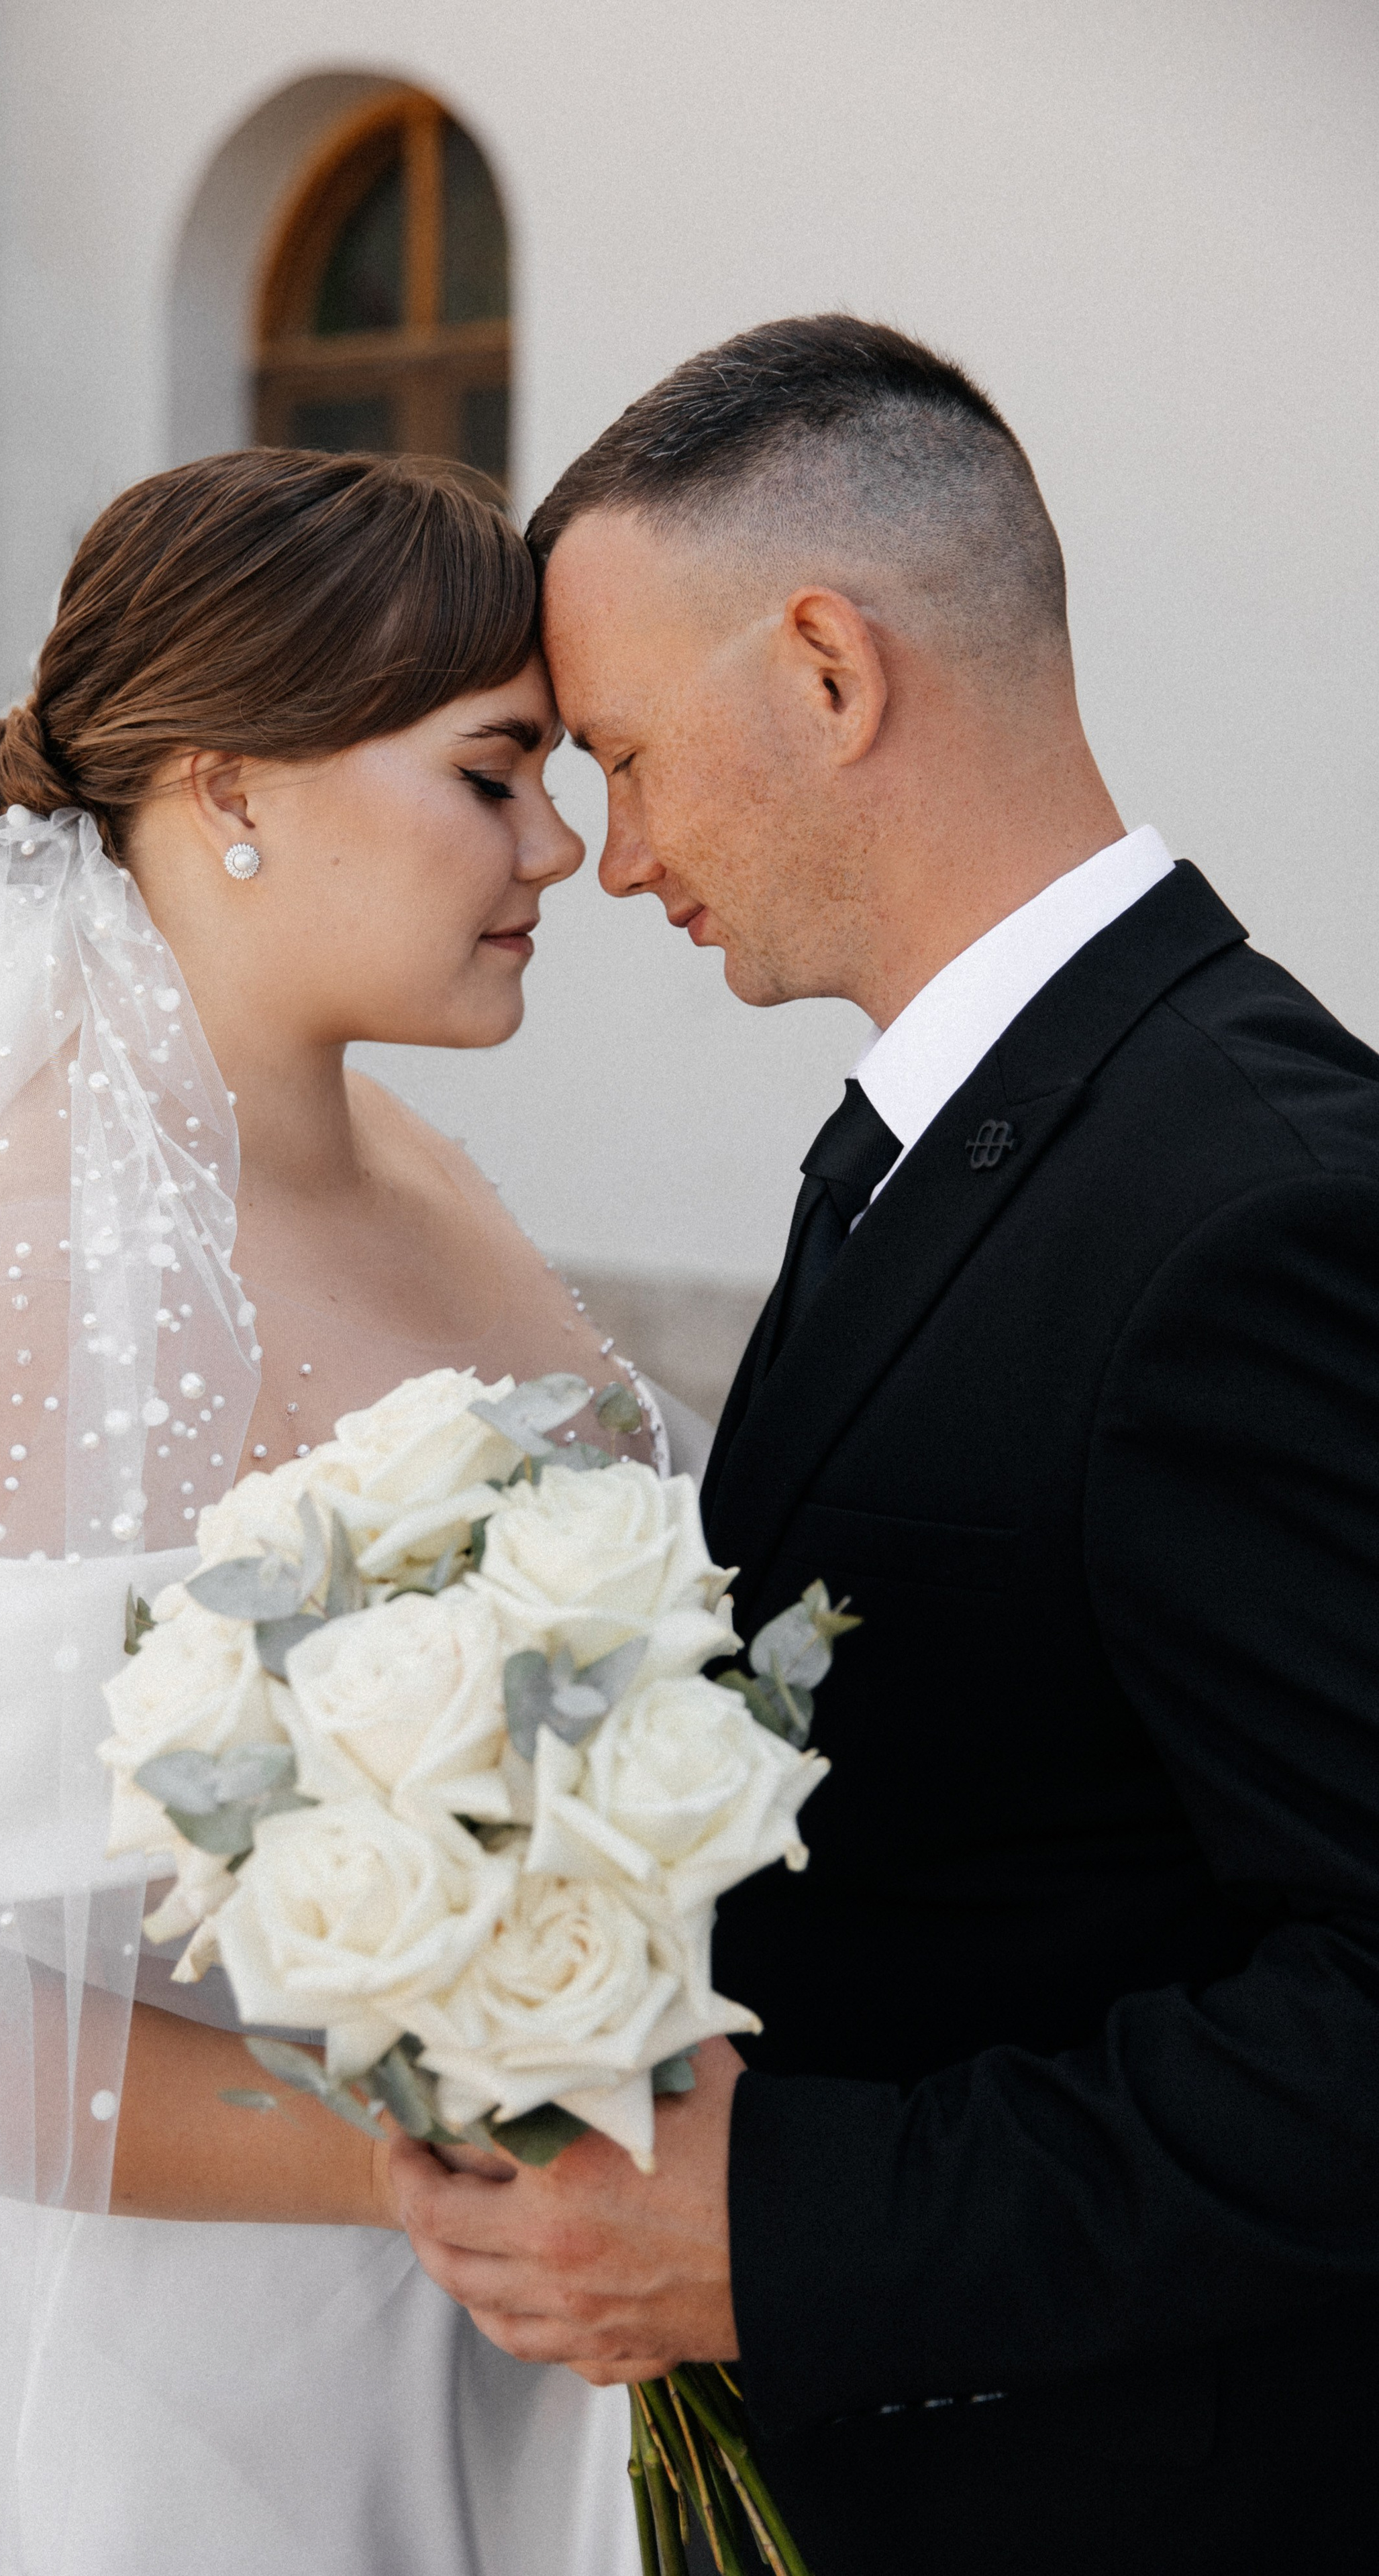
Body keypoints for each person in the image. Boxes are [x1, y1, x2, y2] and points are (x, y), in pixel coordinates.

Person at [389, 315, 1379, 2575]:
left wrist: (787, 2237)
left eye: (626, 756)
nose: (613, 857)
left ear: (830, 672)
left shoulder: (1258, 1208)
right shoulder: (955, 1134)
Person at [0, 449, 683, 2574]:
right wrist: (424, 2163)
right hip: (205, 2410)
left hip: (523, 2335)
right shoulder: (29, 1272)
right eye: (492, 773)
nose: (559, 845)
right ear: (230, 789)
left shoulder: (407, 1158)